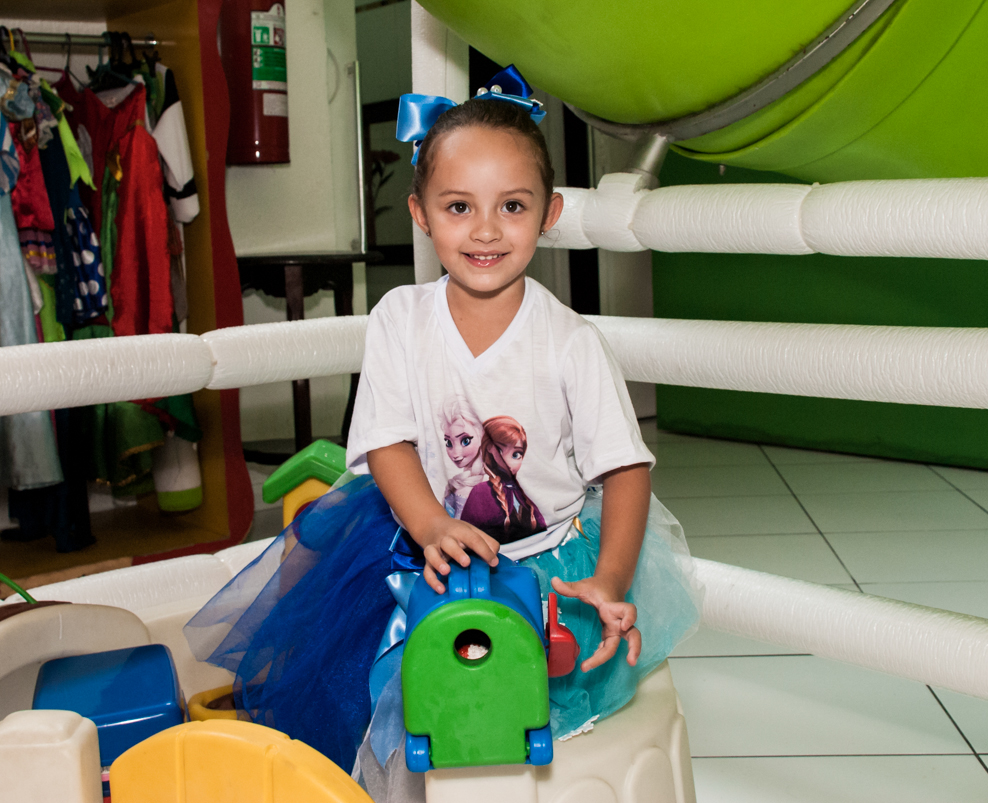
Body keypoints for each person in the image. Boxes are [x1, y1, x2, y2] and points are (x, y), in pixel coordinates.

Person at [185, 79, 701, 801]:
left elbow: (626, 470)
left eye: (512, 206)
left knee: (517, 715)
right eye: (460, 207)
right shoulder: (401, 318)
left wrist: (609, 580)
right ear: (421, 214)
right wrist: (430, 523)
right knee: (402, 699)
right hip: (417, 547)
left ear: (548, 214)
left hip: (546, 560)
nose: (485, 231)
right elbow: (389, 442)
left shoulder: (570, 342)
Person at [440, 395, 485, 518]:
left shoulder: (467, 490)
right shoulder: (459, 486)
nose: (455, 454)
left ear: (481, 434)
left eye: (465, 441)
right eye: (449, 443)